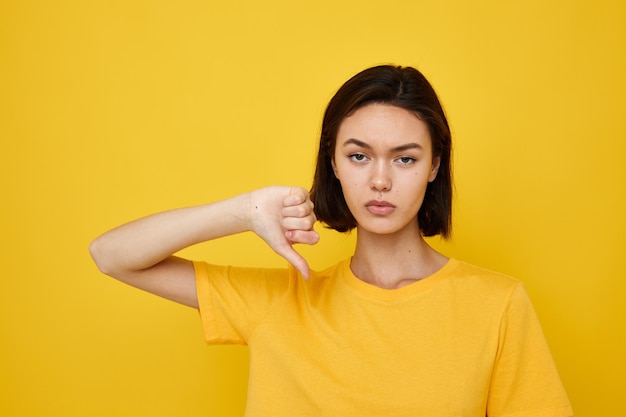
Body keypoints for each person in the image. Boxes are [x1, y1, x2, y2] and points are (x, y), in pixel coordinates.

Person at [90, 65, 573, 417]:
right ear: (335, 164)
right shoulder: (280, 301)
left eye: (404, 159)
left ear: (434, 166)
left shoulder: (498, 305)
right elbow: (112, 256)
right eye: (359, 156)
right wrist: (242, 210)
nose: (380, 180)